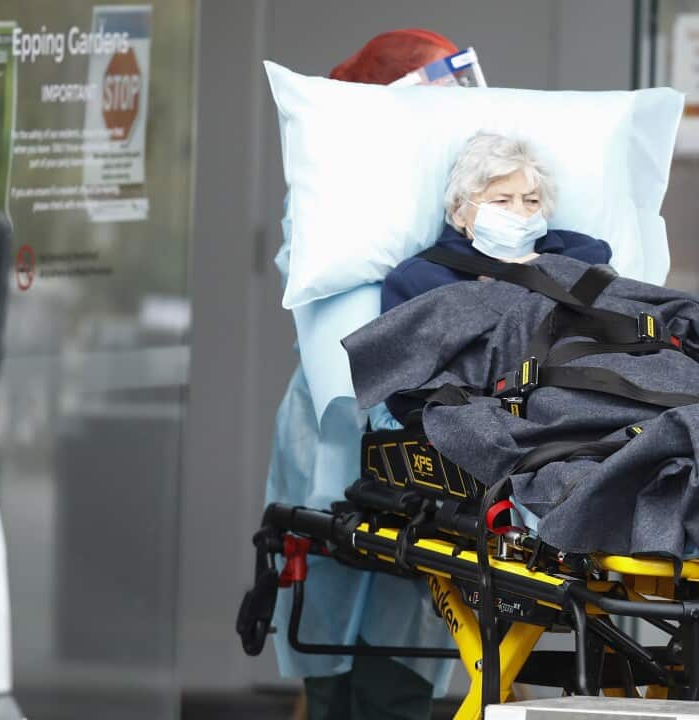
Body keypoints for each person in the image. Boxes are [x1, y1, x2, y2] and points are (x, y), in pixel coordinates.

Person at [268, 28, 462, 720]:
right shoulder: (335, 192)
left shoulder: (472, 185)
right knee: (325, 634)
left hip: (423, 426)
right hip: (336, 422)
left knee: (406, 634)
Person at [380, 131, 611, 316]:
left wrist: (540, 268)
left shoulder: (578, 250)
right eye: (501, 201)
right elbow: (402, 367)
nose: (520, 212)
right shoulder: (419, 279)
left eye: (531, 200)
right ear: (459, 211)